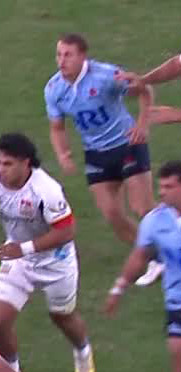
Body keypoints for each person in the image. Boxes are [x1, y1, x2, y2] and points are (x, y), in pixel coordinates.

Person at [0, 132, 93, 372]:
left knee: (62, 317)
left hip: (56, 263)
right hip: (19, 261)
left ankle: (83, 353)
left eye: (8, 164)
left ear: (26, 163)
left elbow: (66, 232)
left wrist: (23, 248)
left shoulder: (47, 191)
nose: (0, 170)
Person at [45, 34, 165, 287]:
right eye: (59, 54)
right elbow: (57, 128)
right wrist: (63, 154)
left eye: (68, 55)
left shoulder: (106, 76)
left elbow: (143, 89)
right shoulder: (54, 89)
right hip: (96, 154)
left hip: (128, 144)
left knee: (142, 207)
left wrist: (143, 123)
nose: (61, 61)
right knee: (112, 215)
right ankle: (157, 257)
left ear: (83, 57)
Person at [104, 159, 181, 372]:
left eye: (169, 187)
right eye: (160, 187)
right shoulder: (154, 221)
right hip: (177, 301)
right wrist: (118, 288)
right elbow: (140, 256)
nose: (162, 193)